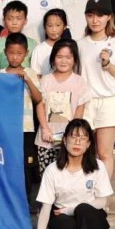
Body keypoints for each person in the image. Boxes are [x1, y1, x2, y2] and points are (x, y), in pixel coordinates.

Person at [31, 118, 113, 229]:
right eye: (73, 137)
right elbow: (46, 207)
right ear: (64, 140)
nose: (77, 142)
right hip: (61, 215)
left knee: (83, 209)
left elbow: (102, 201)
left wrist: (70, 210)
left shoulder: (98, 167)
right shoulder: (52, 170)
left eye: (83, 138)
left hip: (89, 215)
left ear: (88, 144)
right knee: (63, 224)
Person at [77, 0, 115, 178]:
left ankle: (103, 192)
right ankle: (84, 188)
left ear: (109, 17)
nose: (95, 20)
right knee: (82, 150)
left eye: (100, 15)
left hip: (110, 101)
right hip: (86, 102)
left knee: (104, 152)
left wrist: (108, 65)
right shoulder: (80, 44)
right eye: (90, 15)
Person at [34, 39, 89, 172]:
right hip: (46, 139)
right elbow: (40, 105)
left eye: (68, 57)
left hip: (69, 141)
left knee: (67, 174)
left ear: (75, 60)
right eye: (59, 57)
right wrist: (45, 128)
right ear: (53, 58)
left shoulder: (79, 82)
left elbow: (79, 110)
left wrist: (72, 134)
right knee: (46, 174)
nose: (63, 61)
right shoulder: (46, 80)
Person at [2, 33, 43, 197]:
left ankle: (25, 199)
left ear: (26, 53)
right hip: (5, 128)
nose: (15, 57)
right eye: (11, 53)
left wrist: (28, 80)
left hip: (26, 127)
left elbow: (38, 98)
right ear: (5, 52)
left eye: (19, 53)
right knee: (6, 160)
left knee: (26, 162)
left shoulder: (30, 73)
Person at [0, 0, 37, 70]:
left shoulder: (33, 44)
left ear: (25, 20)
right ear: (4, 21)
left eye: (18, 19)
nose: (14, 23)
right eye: (10, 19)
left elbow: (36, 70)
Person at [30, 8, 69, 77]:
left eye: (58, 25)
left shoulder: (69, 48)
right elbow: (35, 74)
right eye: (50, 25)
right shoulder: (39, 49)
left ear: (64, 26)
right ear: (45, 27)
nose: (53, 30)